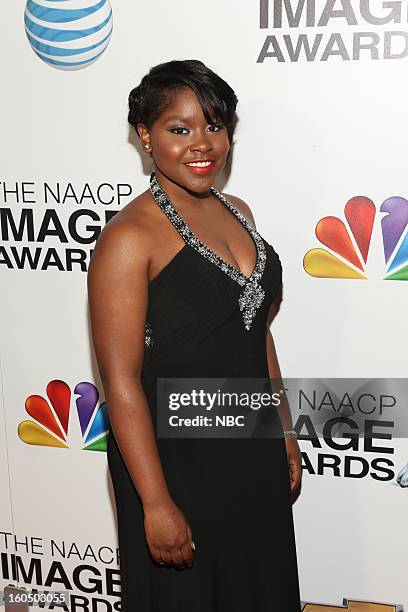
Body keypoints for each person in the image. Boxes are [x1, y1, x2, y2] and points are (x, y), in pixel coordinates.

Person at [87, 58, 302, 611]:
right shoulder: (129, 238)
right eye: (178, 129)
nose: (201, 144)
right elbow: (121, 381)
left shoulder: (239, 211)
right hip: (174, 461)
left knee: (260, 588)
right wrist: (155, 502)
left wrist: (279, 429)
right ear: (144, 136)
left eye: (214, 125)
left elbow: (257, 333)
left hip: (245, 447)